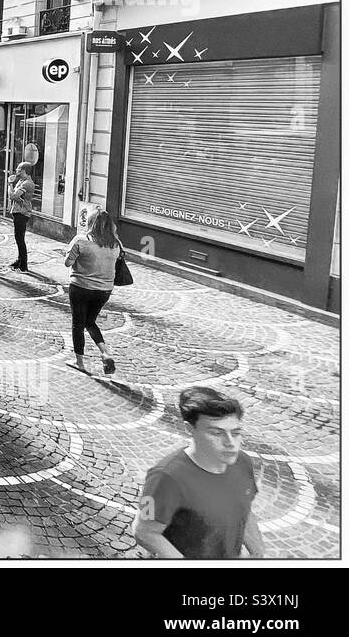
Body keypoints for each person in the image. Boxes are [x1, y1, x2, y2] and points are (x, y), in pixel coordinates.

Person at [133, 388, 263, 559]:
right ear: (190, 429)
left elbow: (244, 511)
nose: (230, 443)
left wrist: (258, 553)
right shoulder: (165, 478)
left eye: (236, 432)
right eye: (217, 433)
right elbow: (144, 531)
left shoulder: (243, 462)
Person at [63, 208, 122, 375]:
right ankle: (105, 352)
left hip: (81, 287)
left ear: (90, 223)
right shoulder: (115, 243)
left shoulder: (81, 240)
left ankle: (79, 362)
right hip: (104, 290)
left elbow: (68, 263)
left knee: (78, 324)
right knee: (90, 321)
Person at [8, 163, 35, 272]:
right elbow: (15, 196)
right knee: (18, 238)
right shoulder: (21, 181)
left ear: (24, 170)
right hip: (18, 211)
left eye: (18, 168)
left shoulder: (28, 183)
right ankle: (19, 261)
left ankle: (23, 265)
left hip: (22, 213)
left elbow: (13, 196)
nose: (16, 170)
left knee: (20, 239)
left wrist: (9, 184)